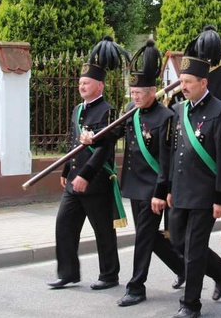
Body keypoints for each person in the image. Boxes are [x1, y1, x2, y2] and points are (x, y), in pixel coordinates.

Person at [94, 38, 184, 307]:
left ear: (153, 90)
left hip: (155, 188)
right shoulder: (131, 110)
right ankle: (193, 269)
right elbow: (115, 134)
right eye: (131, 91)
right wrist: (94, 139)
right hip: (134, 185)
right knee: (151, 238)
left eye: (139, 92)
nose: (134, 96)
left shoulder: (166, 117)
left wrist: (161, 191)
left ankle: (136, 287)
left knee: (148, 237)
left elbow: (166, 161)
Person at [163, 26, 221, 318]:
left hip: (206, 196)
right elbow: (173, 153)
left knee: (193, 250)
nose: (183, 87)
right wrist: (167, 188)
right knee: (178, 243)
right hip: (180, 192)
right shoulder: (178, 110)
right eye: (181, 81)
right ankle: (219, 269)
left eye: (188, 81)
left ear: (204, 82)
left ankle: (190, 305)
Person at [48, 36, 127, 290]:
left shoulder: (109, 112)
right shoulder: (77, 110)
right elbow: (73, 143)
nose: (81, 86)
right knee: (64, 225)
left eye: (87, 83)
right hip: (74, 180)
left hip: (96, 181)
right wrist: (67, 169)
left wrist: (86, 175)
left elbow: (104, 149)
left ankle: (109, 275)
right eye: (80, 83)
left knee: (103, 230)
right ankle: (68, 272)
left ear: (99, 86)